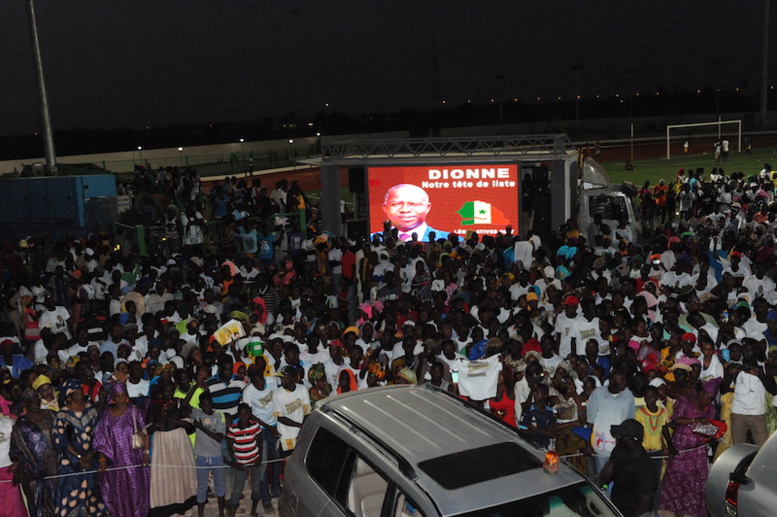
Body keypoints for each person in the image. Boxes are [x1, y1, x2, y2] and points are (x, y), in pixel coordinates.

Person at [93, 382, 151, 517]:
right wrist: (102, 459)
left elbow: (145, 433)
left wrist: (146, 454)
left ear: (126, 396)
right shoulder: (106, 416)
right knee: (120, 493)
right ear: (113, 397)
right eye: (117, 396)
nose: (120, 399)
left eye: (122, 395)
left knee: (136, 490)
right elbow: (102, 439)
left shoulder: (134, 412)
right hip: (116, 462)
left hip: (135, 459)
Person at [53, 378, 106, 517]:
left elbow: (99, 434)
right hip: (71, 461)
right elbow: (61, 440)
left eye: (80, 391)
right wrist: (79, 457)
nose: (80, 394)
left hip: (91, 458)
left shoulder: (91, 410)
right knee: (71, 493)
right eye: (76, 392)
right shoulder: (62, 414)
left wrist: (90, 454)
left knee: (92, 493)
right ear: (69, 396)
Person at [658, 389, 715, 517]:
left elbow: (708, 429)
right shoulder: (684, 401)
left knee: (698, 480)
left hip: (698, 451)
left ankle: (694, 510)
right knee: (677, 478)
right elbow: (676, 419)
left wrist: (711, 433)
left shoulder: (710, 409)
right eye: (708, 397)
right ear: (702, 393)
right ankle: (677, 509)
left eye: (712, 399)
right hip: (680, 448)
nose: (709, 401)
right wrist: (696, 420)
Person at [146, 378, 197, 517]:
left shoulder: (178, 404)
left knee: (182, 475)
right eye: (166, 391)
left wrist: (173, 420)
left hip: (180, 441)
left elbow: (190, 426)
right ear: (161, 392)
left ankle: (184, 507)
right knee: (164, 478)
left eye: (171, 391)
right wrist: (159, 421)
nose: (169, 393)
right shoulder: (154, 407)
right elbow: (147, 430)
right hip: (162, 444)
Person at [10, 388, 57, 517]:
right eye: (30, 400)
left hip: (55, 466)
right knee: (37, 506)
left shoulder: (52, 415)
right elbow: (16, 448)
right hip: (32, 471)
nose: (34, 402)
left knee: (57, 502)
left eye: (36, 398)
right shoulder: (21, 424)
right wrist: (18, 466)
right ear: (25, 403)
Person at [597, 419, 658, 517]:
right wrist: (604, 489)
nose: (616, 438)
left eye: (620, 436)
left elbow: (643, 506)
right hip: (616, 506)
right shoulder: (619, 450)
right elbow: (607, 474)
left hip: (636, 513)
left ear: (632, 440)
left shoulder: (646, 469)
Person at [186, 391, 227, 517]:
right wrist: (194, 387)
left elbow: (219, 437)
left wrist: (201, 427)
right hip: (201, 456)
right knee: (202, 486)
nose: (207, 408)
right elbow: (185, 404)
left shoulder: (219, 416)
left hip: (216, 456)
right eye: (204, 406)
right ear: (200, 406)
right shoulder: (198, 414)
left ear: (212, 404)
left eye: (209, 405)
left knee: (220, 485)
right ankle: (200, 514)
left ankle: (221, 513)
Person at [374, 184, 449, 241]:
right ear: (385, 207)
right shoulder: (373, 239)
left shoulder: (447, 239)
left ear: (428, 207)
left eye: (414, 204)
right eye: (396, 204)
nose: (405, 210)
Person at [226, 403, 264, 517]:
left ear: (249, 414)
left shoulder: (254, 425)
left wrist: (259, 457)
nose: (244, 417)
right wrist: (235, 462)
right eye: (242, 415)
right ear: (238, 415)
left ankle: (253, 511)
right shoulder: (233, 429)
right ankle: (232, 514)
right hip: (241, 463)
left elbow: (260, 441)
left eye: (246, 414)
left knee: (256, 487)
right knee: (237, 489)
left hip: (255, 460)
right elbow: (230, 447)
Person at [272, 365, 311, 456]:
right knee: (287, 459)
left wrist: (303, 429)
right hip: (286, 435)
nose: (282, 381)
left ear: (293, 378)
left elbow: (307, 412)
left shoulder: (302, 389)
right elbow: (280, 418)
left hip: (301, 433)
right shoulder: (277, 394)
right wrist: (301, 426)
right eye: (282, 378)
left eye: (285, 378)